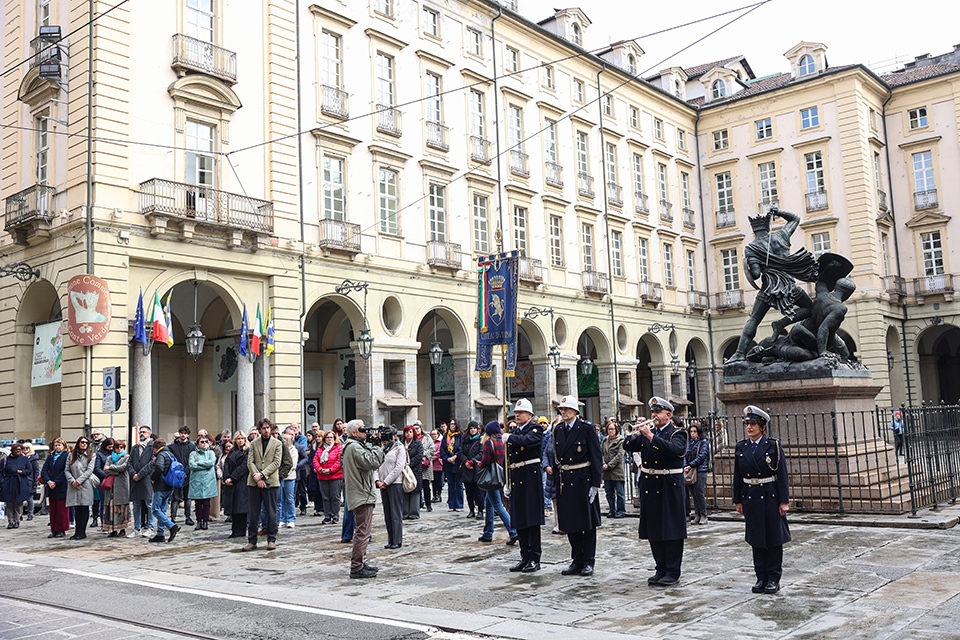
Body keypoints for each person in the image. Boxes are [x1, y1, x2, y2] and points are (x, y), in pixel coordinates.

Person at [727, 207, 818, 363]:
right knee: (810, 309)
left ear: (754, 229)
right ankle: (781, 323)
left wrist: (748, 265)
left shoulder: (751, 248)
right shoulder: (781, 236)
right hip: (789, 286)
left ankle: (740, 353)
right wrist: (779, 212)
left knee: (754, 319)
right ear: (767, 226)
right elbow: (795, 218)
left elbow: (756, 274)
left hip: (769, 288)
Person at [623, 396, 688, 586]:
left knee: (671, 530)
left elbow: (675, 450)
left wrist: (651, 436)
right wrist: (635, 433)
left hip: (669, 485)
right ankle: (660, 568)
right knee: (654, 529)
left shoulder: (677, 433)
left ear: (668, 415)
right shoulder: (647, 433)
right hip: (651, 485)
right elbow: (627, 446)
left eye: (658, 412)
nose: (654, 415)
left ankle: (672, 571)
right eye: (652, 412)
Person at [734, 405, 791, 594]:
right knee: (756, 539)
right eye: (747, 424)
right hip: (750, 497)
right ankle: (761, 577)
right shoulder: (741, 447)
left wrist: (784, 501)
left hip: (770, 496)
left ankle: (773, 578)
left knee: (773, 539)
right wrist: (737, 500)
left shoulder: (773, 446)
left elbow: (782, 475)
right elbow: (737, 476)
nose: (749, 427)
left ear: (762, 426)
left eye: (753, 424)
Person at [553, 395, 603, 577]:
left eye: (566, 409)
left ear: (575, 411)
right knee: (570, 523)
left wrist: (595, 483)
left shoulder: (586, 429)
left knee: (587, 524)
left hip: (583, 480)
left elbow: (596, 457)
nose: (563, 412)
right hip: (565, 480)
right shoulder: (558, 429)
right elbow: (556, 458)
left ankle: (588, 561)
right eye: (561, 409)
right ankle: (577, 559)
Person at [502, 398, 545, 573]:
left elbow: (526, 441)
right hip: (516, 477)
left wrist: (510, 437)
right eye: (516, 413)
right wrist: (507, 481)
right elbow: (508, 460)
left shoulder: (535, 429)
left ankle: (535, 557)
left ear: (529, 415)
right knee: (519, 519)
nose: (517, 415)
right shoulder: (514, 432)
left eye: (521, 413)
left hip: (530, 477)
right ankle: (524, 556)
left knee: (531, 520)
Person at [341, 419, 386, 579]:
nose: (366, 432)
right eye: (362, 430)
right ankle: (357, 567)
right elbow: (372, 462)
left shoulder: (352, 446)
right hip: (362, 494)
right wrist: (377, 446)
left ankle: (361, 562)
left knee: (363, 532)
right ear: (353, 432)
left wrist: (371, 442)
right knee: (362, 533)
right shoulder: (354, 447)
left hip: (360, 493)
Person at [244, 418, 283, 551]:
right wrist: (256, 476)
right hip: (254, 482)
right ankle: (252, 541)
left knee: (271, 512)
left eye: (268, 428)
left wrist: (262, 475)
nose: (266, 430)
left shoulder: (277, 443)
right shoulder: (254, 443)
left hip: (270, 482)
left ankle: (271, 539)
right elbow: (250, 461)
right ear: (260, 430)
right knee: (253, 513)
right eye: (264, 428)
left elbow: (276, 462)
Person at [476, 421, 518, 545]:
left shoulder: (489, 443)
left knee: (498, 506)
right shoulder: (503, 441)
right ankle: (488, 533)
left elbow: (485, 461)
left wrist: (479, 464)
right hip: (501, 475)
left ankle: (514, 531)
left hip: (491, 478)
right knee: (488, 504)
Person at [376, 426, 404, 549]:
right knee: (387, 513)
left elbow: (399, 467)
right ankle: (390, 539)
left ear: (394, 436)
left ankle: (397, 540)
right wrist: (377, 480)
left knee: (395, 513)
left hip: (395, 483)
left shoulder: (399, 448)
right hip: (382, 484)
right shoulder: (382, 448)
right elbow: (376, 464)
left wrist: (387, 481)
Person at [149, 439, 182, 543]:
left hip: (161, 486)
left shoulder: (161, 455)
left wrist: (153, 478)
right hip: (170, 486)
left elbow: (159, 467)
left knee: (155, 510)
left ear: (155, 448)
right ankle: (160, 534)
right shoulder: (170, 454)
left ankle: (172, 526)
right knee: (162, 511)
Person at [65, 436, 97, 540]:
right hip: (73, 485)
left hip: (85, 485)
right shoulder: (71, 455)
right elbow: (66, 470)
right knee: (76, 508)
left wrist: (78, 481)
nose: (84, 444)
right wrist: (72, 481)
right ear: (78, 443)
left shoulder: (92, 455)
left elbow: (89, 470)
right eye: (82, 442)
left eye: (86, 443)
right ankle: (77, 531)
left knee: (84, 508)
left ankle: (82, 532)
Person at [128, 425, 156, 537]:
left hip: (147, 480)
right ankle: (137, 528)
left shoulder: (152, 446)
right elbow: (129, 463)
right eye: (140, 432)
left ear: (149, 433)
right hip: (135, 481)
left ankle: (150, 527)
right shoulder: (135, 448)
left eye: (144, 432)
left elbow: (152, 463)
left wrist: (140, 475)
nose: (141, 434)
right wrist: (133, 474)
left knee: (149, 504)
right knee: (136, 506)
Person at [222, 431, 250, 539]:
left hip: (241, 481)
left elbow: (244, 466)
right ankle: (234, 530)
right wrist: (226, 477)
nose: (241, 440)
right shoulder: (232, 451)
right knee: (233, 507)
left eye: (242, 438)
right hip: (231, 483)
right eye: (238, 438)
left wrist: (233, 477)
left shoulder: (247, 451)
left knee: (241, 508)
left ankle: (240, 531)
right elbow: (226, 464)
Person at [102, 439, 132, 537]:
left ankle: (122, 529)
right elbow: (105, 470)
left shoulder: (127, 457)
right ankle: (113, 530)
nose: (119, 449)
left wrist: (111, 468)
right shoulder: (110, 457)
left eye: (121, 447)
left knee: (121, 508)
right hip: (111, 487)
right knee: (111, 507)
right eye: (117, 447)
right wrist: (116, 471)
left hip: (122, 486)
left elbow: (123, 468)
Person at [41, 437, 70, 538]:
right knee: (53, 509)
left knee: (62, 509)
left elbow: (65, 471)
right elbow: (44, 470)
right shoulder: (51, 456)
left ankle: (61, 529)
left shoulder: (67, 456)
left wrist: (56, 482)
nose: (57, 447)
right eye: (56, 445)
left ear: (64, 446)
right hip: (51, 486)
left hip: (61, 485)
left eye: (59, 445)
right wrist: (48, 481)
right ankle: (54, 529)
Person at [188, 434, 218, 530]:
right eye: (202, 442)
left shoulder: (210, 453)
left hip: (208, 481)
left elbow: (211, 463)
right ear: (197, 444)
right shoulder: (193, 454)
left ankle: (205, 521)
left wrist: (199, 463)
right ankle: (198, 521)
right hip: (197, 481)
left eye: (206, 442)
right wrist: (205, 466)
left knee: (206, 503)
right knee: (198, 503)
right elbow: (192, 465)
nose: (204, 443)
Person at [169, 426, 197, 526]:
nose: (183, 435)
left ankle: (188, 517)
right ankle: (172, 518)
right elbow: (171, 460)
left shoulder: (192, 447)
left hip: (188, 475)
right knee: (175, 498)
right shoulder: (172, 447)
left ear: (188, 434)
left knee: (187, 497)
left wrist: (186, 470)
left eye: (185, 433)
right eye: (181, 433)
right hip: (176, 475)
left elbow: (194, 460)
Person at [314, 430, 344, 524]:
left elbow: (339, 461)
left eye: (331, 437)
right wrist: (320, 469)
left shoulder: (338, 448)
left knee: (335, 497)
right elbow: (315, 460)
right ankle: (327, 515)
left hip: (335, 476)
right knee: (325, 497)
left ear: (334, 439)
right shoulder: (320, 449)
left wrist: (330, 470)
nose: (329, 439)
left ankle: (335, 515)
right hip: (322, 477)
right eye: (327, 437)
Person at [1, 443, 33, 529]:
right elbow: (1, 472)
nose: (18, 451)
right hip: (8, 484)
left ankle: (17, 521)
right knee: (9, 503)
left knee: (18, 503)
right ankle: (10, 521)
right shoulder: (5, 460)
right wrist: (2, 482)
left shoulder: (24, 459)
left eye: (20, 449)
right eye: (16, 449)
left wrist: (21, 472)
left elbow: (29, 470)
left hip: (20, 483)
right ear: (12, 450)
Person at [684, 423, 710, 526]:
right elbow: (684, 454)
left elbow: (702, 456)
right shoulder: (688, 443)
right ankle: (697, 514)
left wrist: (691, 465)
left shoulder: (703, 442)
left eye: (695, 431)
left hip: (700, 470)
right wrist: (686, 465)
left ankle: (703, 514)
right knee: (693, 493)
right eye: (691, 431)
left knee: (699, 492)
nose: (693, 434)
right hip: (689, 470)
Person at [602, 420, 627, 518]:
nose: (610, 431)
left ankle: (621, 511)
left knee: (620, 493)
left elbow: (620, 455)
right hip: (606, 472)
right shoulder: (605, 440)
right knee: (609, 493)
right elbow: (601, 453)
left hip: (617, 470)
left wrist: (609, 465)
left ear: (616, 430)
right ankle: (612, 510)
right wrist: (603, 464)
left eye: (612, 429)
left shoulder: (621, 440)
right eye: (609, 429)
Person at [459, 421, 484, 519]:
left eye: (474, 428)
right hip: (467, 469)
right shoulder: (465, 440)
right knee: (469, 492)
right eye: (471, 428)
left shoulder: (481, 440)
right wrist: (466, 461)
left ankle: (480, 510)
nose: (473, 430)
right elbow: (461, 452)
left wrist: (472, 461)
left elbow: (481, 453)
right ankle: (471, 510)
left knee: (479, 492)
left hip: (477, 468)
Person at [541, 417, 562, 535]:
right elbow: (545, 454)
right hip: (552, 475)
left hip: (563, 474)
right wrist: (546, 466)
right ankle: (557, 524)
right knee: (555, 501)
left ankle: (565, 524)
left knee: (563, 501)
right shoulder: (550, 439)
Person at [401, 425, 423, 520]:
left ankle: (414, 513)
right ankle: (404, 513)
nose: (408, 434)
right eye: (406, 432)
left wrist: (409, 464)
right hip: (403, 471)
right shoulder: (401, 444)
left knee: (415, 490)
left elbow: (419, 455)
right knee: (405, 489)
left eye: (410, 432)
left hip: (415, 470)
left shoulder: (418, 443)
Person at [277, 431, 298, 529]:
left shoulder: (293, 450)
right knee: (280, 499)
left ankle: (291, 519)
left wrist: (284, 474)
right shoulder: (278, 449)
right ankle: (282, 518)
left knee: (289, 499)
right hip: (279, 477)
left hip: (289, 477)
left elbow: (292, 465)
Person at [441, 420, 463, 511]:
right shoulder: (445, 436)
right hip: (448, 463)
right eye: (451, 424)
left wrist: (455, 457)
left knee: (458, 484)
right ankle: (451, 504)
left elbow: (461, 448)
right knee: (450, 484)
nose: (452, 425)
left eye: (454, 424)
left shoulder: (460, 436)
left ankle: (459, 504)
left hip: (457, 463)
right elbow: (442, 449)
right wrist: (447, 458)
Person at [414, 422, 434, 511]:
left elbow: (432, 449)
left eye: (417, 428)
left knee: (426, 486)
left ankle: (428, 504)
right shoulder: (412, 439)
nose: (416, 430)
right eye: (414, 429)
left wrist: (423, 453)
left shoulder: (427, 438)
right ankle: (418, 504)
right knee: (417, 486)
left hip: (425, 465)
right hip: (415, 465)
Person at [20, 442, 40, 522]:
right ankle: (20, 514)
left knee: (29, 499)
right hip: (21, 481)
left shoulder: (33, 458)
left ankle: (30, 514)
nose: (25, 450)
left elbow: (36, 471)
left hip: (30, 481)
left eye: (27, 448)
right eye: (23, 448)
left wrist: (35, 482)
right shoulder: (20, 457)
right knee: (20, 499)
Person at [430, 429, 444, 503]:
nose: (433, 436)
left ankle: (438, 495)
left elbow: (439, 453)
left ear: (438, 435)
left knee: (438, 480)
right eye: (432, 434)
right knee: (433, 481)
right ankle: (434, 495)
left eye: (435, 434)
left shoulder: (440, 442)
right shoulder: (430, 442)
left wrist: (430, 458)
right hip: (431, 465)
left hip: (438, 464)